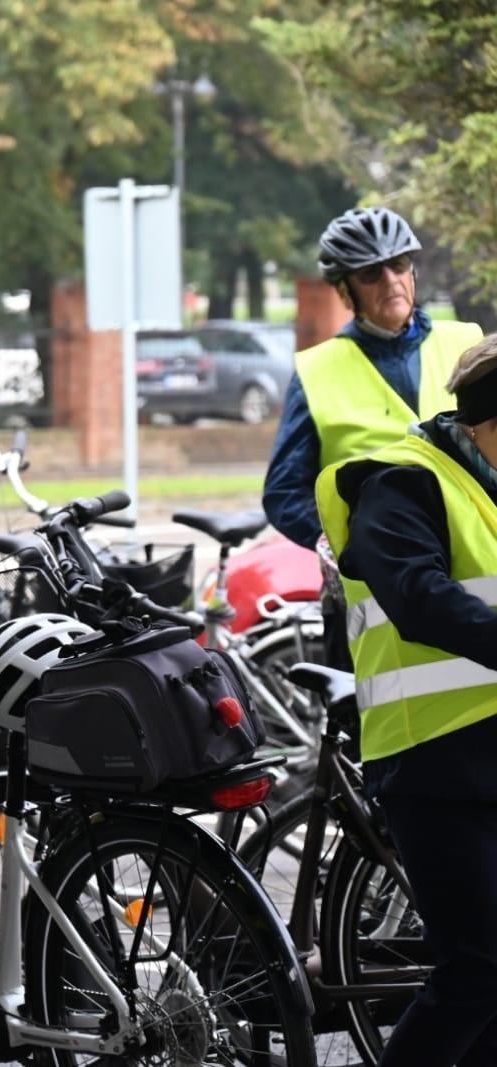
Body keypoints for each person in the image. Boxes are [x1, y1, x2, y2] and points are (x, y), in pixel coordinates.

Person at [316, 333, 497, 1065]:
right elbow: (419, 599)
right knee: (479, 967)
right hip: (433, 762)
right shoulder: (400, 483)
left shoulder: (487, 483)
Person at [263, 206, 482, 665]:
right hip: (370, 597)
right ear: (346, 290)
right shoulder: (318, 371)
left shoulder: (467, 343)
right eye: (370, 274)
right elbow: (283, 492)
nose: (390, 281)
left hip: (473, 580)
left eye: (399, 265)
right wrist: (343, 545)